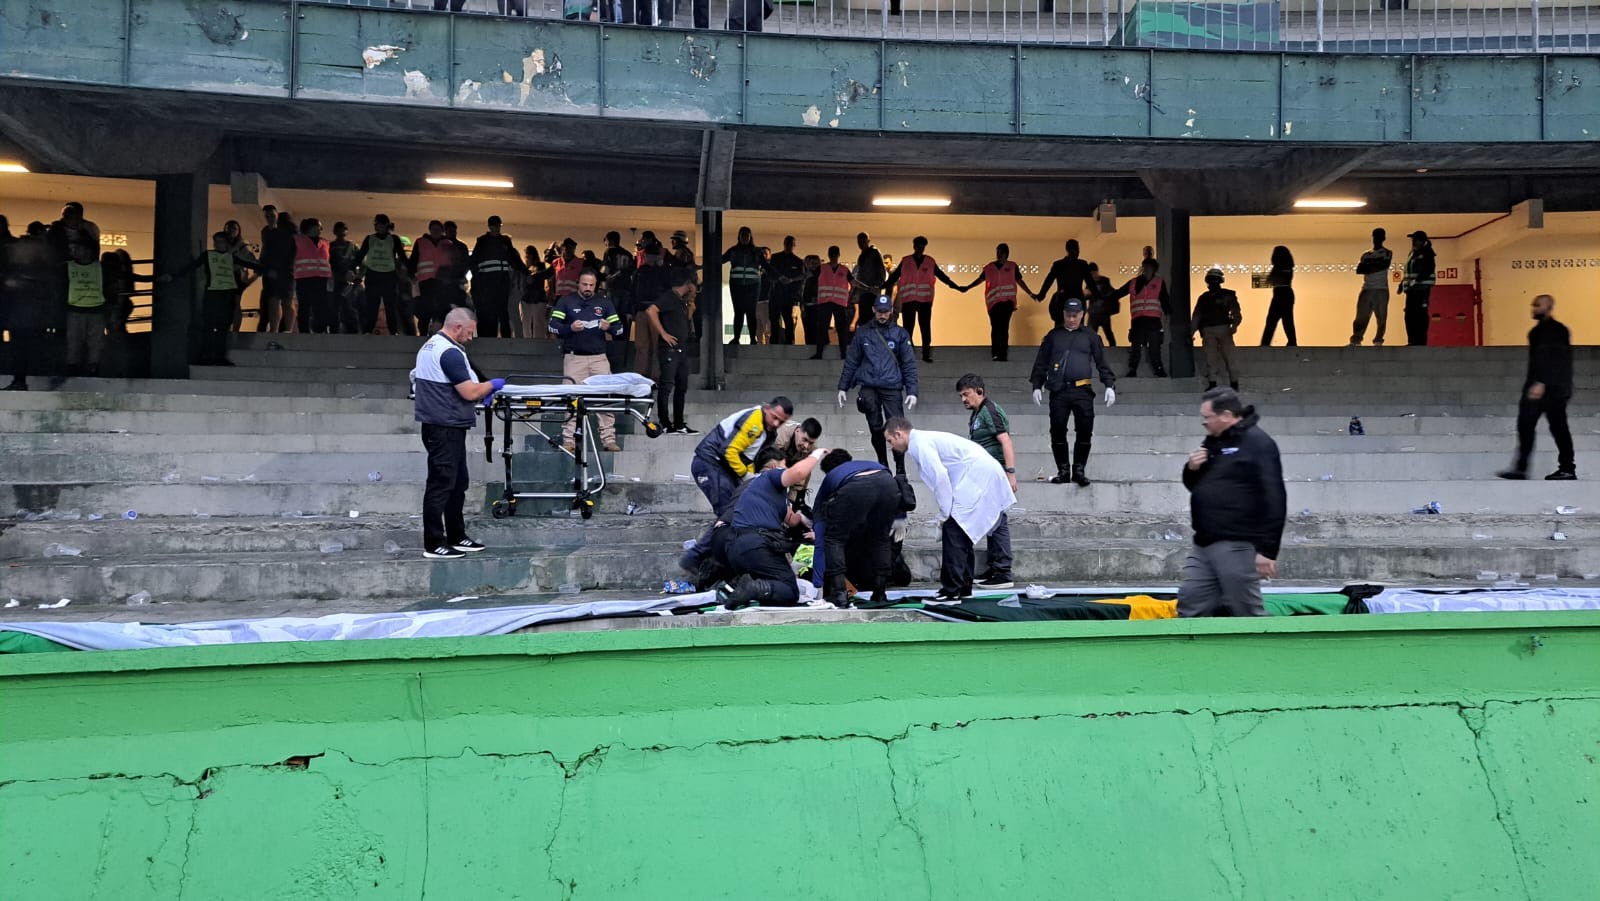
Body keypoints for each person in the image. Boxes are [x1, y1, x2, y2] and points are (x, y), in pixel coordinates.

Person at [1177, 387, 1286, 618]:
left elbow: (1275, 496)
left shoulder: (1258, 443)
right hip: (1204, 541)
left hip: (1237, 542)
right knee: (1191, 601)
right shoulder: (1213, 441)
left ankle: (1263, 649)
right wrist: (1192, 469)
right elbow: (1198, 486)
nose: (1204, 423)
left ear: (1226, 415)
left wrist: (1268, 550)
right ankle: (1192, 650)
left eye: (1207, 418)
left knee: (1245, 607)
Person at [885, 418, 1016, 602]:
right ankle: (962, 586)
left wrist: (945, 512)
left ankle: (951, 590)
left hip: (977, 476)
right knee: (962, 533)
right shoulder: (921, 441)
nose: (891, 446)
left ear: (899, 434)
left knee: (953, 530)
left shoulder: (919, 444)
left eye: (890, 441)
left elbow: (939, 476)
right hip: (978, 474)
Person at [413, 308, 503, 560]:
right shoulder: (449, 352)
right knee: (441, 484)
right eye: (470, 332)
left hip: (444, 425)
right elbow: (469, 392)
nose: (472, 337)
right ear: (457, 327)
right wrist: (494, 385)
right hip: (444, 427)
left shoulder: (431, 346)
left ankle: (456, 535)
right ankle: (434, 542)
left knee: (457, 483)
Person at [715, 447, 827, 610]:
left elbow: (792, 519)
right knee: (789, 590)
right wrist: (816, 454)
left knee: (774, 594)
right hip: (757, 544)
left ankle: (739, 587)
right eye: (785, 466)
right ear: (776, 467)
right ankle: (753, 588)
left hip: (735, 546)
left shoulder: (761, 491)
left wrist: (807, 520)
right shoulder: (770, 476)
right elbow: (798, 473)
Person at [1029, 298, 1116, 486]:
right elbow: (1041, 362)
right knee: (1058, 430)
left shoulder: (1091, 336)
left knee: (1085, 431)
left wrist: (1109, 384)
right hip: (1059, 391)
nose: (1071, 319)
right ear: (1063, 314)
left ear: (1082, 315)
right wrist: (1037, 384)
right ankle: (1063, 470)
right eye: (1068, 315)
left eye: (1075, 315)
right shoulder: (1053, 336)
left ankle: (1079, 469)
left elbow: (1102, 362)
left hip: (1083, 390)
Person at [1497, 294, 1576, 481]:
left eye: (1538, 305)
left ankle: (1566, 468)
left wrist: (1541, 382)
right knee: (1527, 426)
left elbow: (1552, 359)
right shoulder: (1539, 331)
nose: (1534, 309)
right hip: (1544, 386)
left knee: (1557, 428)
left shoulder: (1555, 331)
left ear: (1548, 307)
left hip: (1551, 388)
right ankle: (1522, 468)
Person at [811, 449, 900, 607]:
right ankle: (880, 593)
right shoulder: (866, 464)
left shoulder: (832, 477)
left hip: (856, 487)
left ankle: (840, 594)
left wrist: (818, 584)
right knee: (880, 537)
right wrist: (901, 516)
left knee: (833, 538)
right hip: (888, 483)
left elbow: (820, 525)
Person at [839, 295, 918, 472]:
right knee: (875, 428)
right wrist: (843, 387)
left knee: (896, 429)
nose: (882, 315)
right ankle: (883, 461)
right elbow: (852, 361)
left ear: (891, 311)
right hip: (869, 386)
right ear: (874, 310)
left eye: (886, 311)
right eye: (880, 311)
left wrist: (912, 391)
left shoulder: (900, 334)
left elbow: (909, 364)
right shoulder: (863, 332)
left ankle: (900, 468)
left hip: (892, 387)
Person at [549, 271, 625, 454]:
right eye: (584, 284)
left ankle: (609, 440)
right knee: (571, 398)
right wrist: (570, 328)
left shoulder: (604, 303)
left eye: (591, 285)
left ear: (596, 285)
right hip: (574, 358)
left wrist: (610, 327)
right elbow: (552, 325)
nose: (588, 288)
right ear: (578, 284)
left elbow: (620, 329)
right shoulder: (566, 301)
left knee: (605, 399)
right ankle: (569, 440)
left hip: (599, 358)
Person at [956, 375, 1017, 589]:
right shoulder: (976, 414)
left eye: (966, 394)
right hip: (984, 474)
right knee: (992, 520)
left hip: (996, 472)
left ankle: (1002, 571)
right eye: (961, 395)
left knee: (997, 520)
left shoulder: (990, 410)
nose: (963, 399)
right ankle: (996, 567)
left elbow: (1005, 440)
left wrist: (1010, 473)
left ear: (979, 391)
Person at [167, 231, 263, 365]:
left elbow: (248, 264)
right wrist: (174, 276)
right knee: (209, 325)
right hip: (213, 294)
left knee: (223, 327)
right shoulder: (208, 255)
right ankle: (206, 355)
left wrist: (265, 269)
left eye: (221, 242)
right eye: (216, 242)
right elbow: (192, 266)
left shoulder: (231, 257)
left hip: (227, 295)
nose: (217, 245)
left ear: (227, 244)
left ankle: (219, 356)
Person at [692, 397, 794, 521]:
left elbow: (748, 457)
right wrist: (745, 475)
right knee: (729, 512)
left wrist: (749, 478)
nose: (776, 424)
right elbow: (729, 451)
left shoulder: (767, 430)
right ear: (767, 408)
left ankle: (711, 540)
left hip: (720, 464)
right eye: (774, 417)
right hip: (710, 461)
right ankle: (709, 541)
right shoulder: (755, 421)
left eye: (781, 422)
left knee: (735, 510)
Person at [881, 236, 962, 363]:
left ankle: (926, 354)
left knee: (925, 328)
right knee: (908, 328)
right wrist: (881, 286)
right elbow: (894, 277)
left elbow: (942, 276)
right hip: (908, 299)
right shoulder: (906, 261)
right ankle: (907, 354)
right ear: (914, 246)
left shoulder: (929, 261)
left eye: (923, 246)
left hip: (924, 300)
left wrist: (956, 286)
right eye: (918, 245)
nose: (920, 248)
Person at [2, 222, 59, 391]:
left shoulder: (32, 266)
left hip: (27, 315)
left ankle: (23, 380)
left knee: (24, 349)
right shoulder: (40, 262)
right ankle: (23, 379)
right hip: (25, 315)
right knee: (24, 349)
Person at [640, 268, 698, 434]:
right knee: (666, 386)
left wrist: (690, 311)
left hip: (682, 348)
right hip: (669, 349)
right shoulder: (669, 296)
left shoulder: (680, 300)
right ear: (688, 284)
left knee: (682, 386)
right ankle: (665, 423)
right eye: (695, 286)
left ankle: (679, 424)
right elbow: (651, 310)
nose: (696, 291)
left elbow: (681, 322)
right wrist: (663, 333)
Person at [959, 243, 1036, 362]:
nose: (999, 254)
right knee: (995, 327)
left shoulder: (1012, 266)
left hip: (1007, 302)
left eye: (1001, 252)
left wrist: (1030, 293)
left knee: (1004, 327)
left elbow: (1020, 281)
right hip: (993, 303)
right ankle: (995, 353)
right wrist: (968, 287)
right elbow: (980, 279)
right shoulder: (989, 267)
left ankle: (1002, 353)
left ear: (1006, 253)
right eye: (997, 252)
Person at [1110, 256, 1169, 377]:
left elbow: (1165, 300)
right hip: (1138, 321)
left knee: (1154, 347)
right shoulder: (1134, 282)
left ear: (1154, 269)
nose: (1146, 270)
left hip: (1153, 321)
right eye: (1145, 267)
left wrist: (1170, 314)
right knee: (1136, 347)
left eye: (1149, 268)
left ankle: (1158, 369)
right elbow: (1118, 293)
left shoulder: (1159, 283)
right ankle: (1133, 369)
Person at [353, 214, 411, 336]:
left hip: (389, 276)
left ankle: (393, 330)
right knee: (371, 305)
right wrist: (352, 269)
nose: (376, 227)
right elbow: (360, 255)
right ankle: (368, 330)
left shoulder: (394, 239)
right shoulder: (370, 239)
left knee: (390, 304)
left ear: (385, 225)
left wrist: (411, 271)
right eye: (375, 224)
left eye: (378, 224)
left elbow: (402, 256)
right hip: (373, 275)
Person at [470, 216, 526, 339]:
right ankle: (490, 337)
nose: (496, 228)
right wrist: (478, 279)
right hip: (487, 282)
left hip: (502, 281)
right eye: (494, 225)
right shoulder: (482, 241)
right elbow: (473, 261)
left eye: (498, 226)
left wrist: (526, 273)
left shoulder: (505, 241)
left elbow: (514, 258)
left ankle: (505, 338)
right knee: (490, 311)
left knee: (502, 310)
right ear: (489, 226)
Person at [1191, 268, 1242, 391]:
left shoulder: (1219, 296)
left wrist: (1235, 325)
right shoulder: (1206, 297)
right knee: (1214, 358)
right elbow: (1197, 317)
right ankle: (1226, 383)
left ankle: (1227, 383)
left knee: (1225, 358)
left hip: (1219, 330)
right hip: (1214, 330)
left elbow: (1236, 312)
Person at [62, 243, 109, 377]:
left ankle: (88, 367)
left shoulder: (68, 267)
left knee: (87, 341)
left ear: (88, 250)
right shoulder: (99, 267)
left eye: (78, 248)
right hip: (86, 309)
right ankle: (79, 367)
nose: (74, 251)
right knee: (79, 341)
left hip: (86, 309)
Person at [723, 226, 767, 349]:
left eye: (746, 235)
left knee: (751, 313)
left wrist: (778, 277)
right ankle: (736, 338)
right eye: (742, 235)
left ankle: (753, 339)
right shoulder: (733, 250)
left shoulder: (757, 251)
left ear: (750, 237)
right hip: (736, 285)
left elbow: (766, 266)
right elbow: (720, 260)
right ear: (739, 237)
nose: (744, 238)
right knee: (738, 312)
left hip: (753, 286)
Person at [409, 221, 455, 334]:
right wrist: (412, 276)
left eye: (438, 229)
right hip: (425, 281)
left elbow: (453, 262)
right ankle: (423, 333)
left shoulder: (448, 243)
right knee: (425, 309)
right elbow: (413, 260)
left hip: (442, 282)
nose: (436, 231)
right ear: (429, 229)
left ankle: (439, 334)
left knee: (440, 310)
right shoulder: (421, 242)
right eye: (433, 228)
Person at [600, 231, 637, 371]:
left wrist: (604, 285)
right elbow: (632, 271)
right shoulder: (627, 254)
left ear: (609, 240)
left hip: (613, 289)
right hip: (626, 289)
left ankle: (616, 341)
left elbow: (605, 270)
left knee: (613, 316)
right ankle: (623, 339)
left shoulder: (609, 252)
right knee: (624, 316)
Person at [809, 245, 854, 360]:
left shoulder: (843, 270)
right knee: (825, 328)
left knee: (839, 329)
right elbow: (812, 281)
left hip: (836, 302)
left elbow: (854, 283)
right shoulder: (823, 268)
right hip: (827, 302)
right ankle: (824, 353)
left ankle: (840, 353)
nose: (834, 256)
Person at [292, 218, 335, 334]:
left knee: (321, 306)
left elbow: (328, 261)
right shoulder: (297, 240)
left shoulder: (325, 242)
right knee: (304, 306)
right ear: (310, 227)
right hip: (303, 277)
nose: (321, 229)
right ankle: (304, 331)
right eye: (319, 226)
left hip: (321, 279)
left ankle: (320, 329)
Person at [1351, 227, 1393, 346]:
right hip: (1366, 289)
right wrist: (1374, 267)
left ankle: (1378, 340)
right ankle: (1356, 340)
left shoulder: (1387, 252)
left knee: (1381, 317)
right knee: (1361, 316)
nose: (1377, 239)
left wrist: (1369, 268)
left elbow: (1383, 265)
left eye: (1380, 236)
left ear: (1384, 238)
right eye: (1375, 236)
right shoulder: (1366, 255)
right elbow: (1359, 270)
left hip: (1381, 289)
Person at [258, 210, 297, 333]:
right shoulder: (294, 236)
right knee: (285, 301)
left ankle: (276, 329)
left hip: (278, 270)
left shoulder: (273, 234)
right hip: (287, 271)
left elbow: (267, 253)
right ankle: (287, 329)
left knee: (276, 301)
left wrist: (266, 267)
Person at [1038, 238, 1092, 327]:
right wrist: (1098, 296)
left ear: (1067, 250)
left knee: (1060, 327)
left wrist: (1041, 294)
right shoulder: (1082, 264)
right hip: (1078, 298)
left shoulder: (1059, 264)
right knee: (1078, 327)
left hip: (1062, 299)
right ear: (1077, 250)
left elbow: (1049, 280)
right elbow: (1090, 283)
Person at [1399, 230, 1436, 346]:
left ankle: (1420, 342)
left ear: (1422, 241)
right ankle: (1412, 341)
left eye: (1415, 240)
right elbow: (1409, 271)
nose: (1413, 242)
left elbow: (1427, 270)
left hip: (1421, 290)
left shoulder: (1427, 253)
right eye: (1413, 240)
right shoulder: (1413, 253)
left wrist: (1415, 281)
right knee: (1410, 315)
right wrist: (1402, 284)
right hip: (1411, 290)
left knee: (1420, 315)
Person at [766, 236, 805, 346]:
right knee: (774, 321)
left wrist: (795, 293)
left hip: (789, 297)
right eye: (787, 243)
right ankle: (774, 343)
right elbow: (769, 275)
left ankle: (789, 343)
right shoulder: (775, 258)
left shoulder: (798, 261)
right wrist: (779, 278)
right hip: (775, 294)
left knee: (788, 321)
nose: (789, 246)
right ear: (784, 244)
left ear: (794, 245)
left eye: (791, 244)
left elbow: (801, 279)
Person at [1260, 245, 1296, 347]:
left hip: (1281, 294)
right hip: (1285, 294)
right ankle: (1292, 341)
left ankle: (1265, 343)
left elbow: (1270, 280)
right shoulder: (1288, 267)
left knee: (1273, 320)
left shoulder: (1281, 268)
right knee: (1286, 320)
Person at [850, 232, 888, 328]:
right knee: (864, 317)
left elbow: (881, 271)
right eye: (859, 242)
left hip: (871, 291)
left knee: (871, 316)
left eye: (863, 241)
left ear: (868, 241)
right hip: (864, 290)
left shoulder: (874, 253)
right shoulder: (862, 255)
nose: (861, 244)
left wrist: (877, 286)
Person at [521, 245, 551, 342]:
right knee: (527, 322)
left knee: (537, 322)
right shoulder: (525, 268)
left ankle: (537, 342)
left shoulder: (539, 266)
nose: (526, 258)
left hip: (536, 297)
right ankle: (529, 341)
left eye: (527, 256)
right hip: (529, 297)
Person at [1084, 261, 1117, 346]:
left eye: (1093, 273)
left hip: (1103, 313)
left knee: (1108, 333)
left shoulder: (1105, 281)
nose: (1092, 276)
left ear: (1096, 272)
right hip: (1094, 313)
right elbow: (1086, 296)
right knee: (1091, 334)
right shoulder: (1089, 283)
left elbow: (1110, 293)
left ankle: (1113, 349)